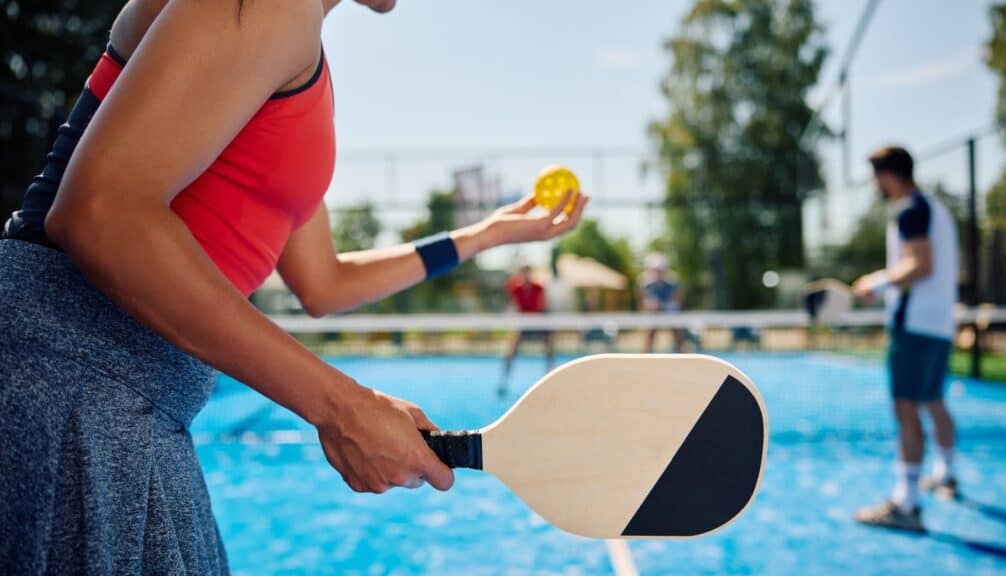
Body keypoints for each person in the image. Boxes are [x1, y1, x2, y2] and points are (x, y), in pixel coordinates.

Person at [0, 1, 589, 572]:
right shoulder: (276, 6)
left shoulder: (294, 50)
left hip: (138, 392)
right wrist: (344, 406)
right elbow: (100, 213)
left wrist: (486, 235)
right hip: (69, 374)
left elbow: (324, 283)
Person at [851, 146, 959, 533]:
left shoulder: (911, 210)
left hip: (914, 326)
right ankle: (946, 473)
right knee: (933, 401)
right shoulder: (938, 209)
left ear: (889, 175)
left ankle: (906, 504)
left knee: (906, 409)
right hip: (940, 324)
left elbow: (920, 264)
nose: (875, 185)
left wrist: (875, 284)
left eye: (876, 177)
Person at [499, 263, 554, 397]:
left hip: (538, 323)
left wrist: (535, 316)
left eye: (527, 272)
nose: (526, 275)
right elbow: (515, 306)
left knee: (550, 346)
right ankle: (503, 382)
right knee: (511, 350)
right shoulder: (515, 288)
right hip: (523, 325)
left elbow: (543, 305)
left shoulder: (539, 287)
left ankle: (551, 379)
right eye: (523, 272)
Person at [641, 253, 688, 353]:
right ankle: (646, 357)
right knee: (649, 331)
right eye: (655, 270)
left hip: (670, 312)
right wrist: (652, 306)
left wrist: (663, 306)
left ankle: (683, 354)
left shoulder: (672, 282)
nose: (658, 272)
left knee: (678, 330)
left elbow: (677, 300)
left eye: (660, 270)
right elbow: (645, 302)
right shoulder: (646, 284)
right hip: (654, 314)